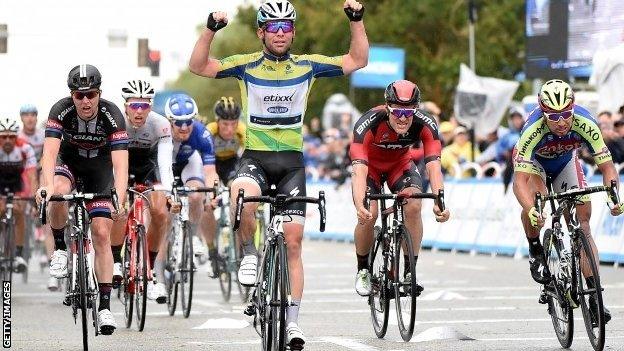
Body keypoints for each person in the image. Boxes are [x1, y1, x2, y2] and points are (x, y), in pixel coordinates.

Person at [188, 0, 368, 346]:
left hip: (291, 164)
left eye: (287, 27)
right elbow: (198, 66)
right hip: (255, 157)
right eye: (274, 27)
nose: (281, 33)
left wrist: (356, 20)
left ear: (294, 32)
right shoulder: (246, 66)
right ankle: (251, 255)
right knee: (241, 194)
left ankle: (293, 323)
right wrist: (210, 29)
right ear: (261, 32)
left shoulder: (308, 66)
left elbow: (357, 59)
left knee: (294, 243)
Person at [512, 79, 624, 324]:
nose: (561, 122)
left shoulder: (586, 123)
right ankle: (535, 248)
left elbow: (607, 167)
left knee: (583, 226)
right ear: (543, 114)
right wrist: (530, 208)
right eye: (553, 117)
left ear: (573, 108)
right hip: (536, 165)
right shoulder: (532, 129)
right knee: (537, 206)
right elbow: (519, 183)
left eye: (566, 114)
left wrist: (613, 195)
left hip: (565, 163)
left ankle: (595, 297)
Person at [36, 64, 129, 335]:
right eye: (79, 95)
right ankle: (62, 248)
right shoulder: (60, 111)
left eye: (91, 95)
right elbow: (50, 155)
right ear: (71, 95)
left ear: (99, 94)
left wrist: (119, 199)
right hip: (69, 164)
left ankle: (104, 307)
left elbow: (120, 166)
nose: (86, 101)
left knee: (101, 232)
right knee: (58, 190)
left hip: (100, 171)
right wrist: (46, 186)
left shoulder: (112, 115)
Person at [349, 80, 450, 297]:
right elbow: (358, 171)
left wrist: (439, 201)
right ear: (387, 107)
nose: (403, 118)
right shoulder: (368, 123)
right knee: (370, 214)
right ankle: (363, 269)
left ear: (416, 108)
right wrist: (360, 205)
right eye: (397, 112)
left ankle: (408, 271)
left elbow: (433, 166)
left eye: (409, 111)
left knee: (414, 205)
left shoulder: (425, 123)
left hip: (399, 166)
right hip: (369, 169)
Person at [109, 80, 173, 304]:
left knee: (160, 213)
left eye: (144, 106)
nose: (139, 111)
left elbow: (164, 163)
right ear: (125, 105)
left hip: (148, 167)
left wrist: (168, 192)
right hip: (120, 166)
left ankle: (152, 268)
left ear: (151, 107)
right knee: (119, 209)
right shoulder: (115, 122)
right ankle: (116, 261)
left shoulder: (160, 124)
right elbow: (111, 161)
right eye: (134, 105)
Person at [157, 93, 219, 276]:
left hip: (187, 164)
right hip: (163, 166)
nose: (184, 127)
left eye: (188, 122)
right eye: (178, 123)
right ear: (169, 121)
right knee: (164, 212)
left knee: (196, 195)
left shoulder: (202, 133)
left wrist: (212, 194)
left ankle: (192, 236)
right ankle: (159, 264)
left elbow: (209, 171)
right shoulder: (160, 130)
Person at [206, 96, 245, 274]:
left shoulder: (243, 131)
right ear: (217, 122)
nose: (230, 129)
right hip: (211, 163)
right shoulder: (209, 131)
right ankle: (212, 250)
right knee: (208, 200)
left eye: (233, 124)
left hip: (230, 163)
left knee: (236, 190)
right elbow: (201, 162)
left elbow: (249, 155)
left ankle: (238, 248)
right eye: (225, 124)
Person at [0, 117, 37, 273]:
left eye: (11, 136)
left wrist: (35, 197)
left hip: (18, 184)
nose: (8, 140)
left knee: (18, 211)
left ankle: (19, 254)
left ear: (17, 137)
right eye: (3, 137)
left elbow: (31, 176)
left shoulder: (25, 148)